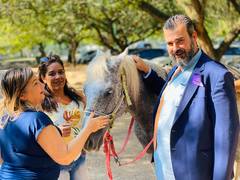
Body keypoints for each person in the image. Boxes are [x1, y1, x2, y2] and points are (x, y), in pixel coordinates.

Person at [132, 14, 239, 180]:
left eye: (180, 41)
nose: (175, 48)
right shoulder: (176, 70)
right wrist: (147, 72)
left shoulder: (216, 75)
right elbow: (177, 99)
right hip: (164, 170)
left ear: (194, 36)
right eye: (169, 43)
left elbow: (225, 140)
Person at [0, 67, 109, 179]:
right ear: (22, 95)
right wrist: (88, 128)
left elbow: (3, 158)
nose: (42, 86)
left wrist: (55, 132)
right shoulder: (37, 119)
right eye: (35, 83)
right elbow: (65, 158)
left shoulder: (5, 118)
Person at [38, 55, 88, 180]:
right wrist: (56, 131)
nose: (58, 77)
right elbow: (35, 132)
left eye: (61, 72)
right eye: (52, 74)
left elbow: (90, 118)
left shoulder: (77, 96)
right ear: (43, 78)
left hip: (79, 158)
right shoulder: (40, 102)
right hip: (55, 164)